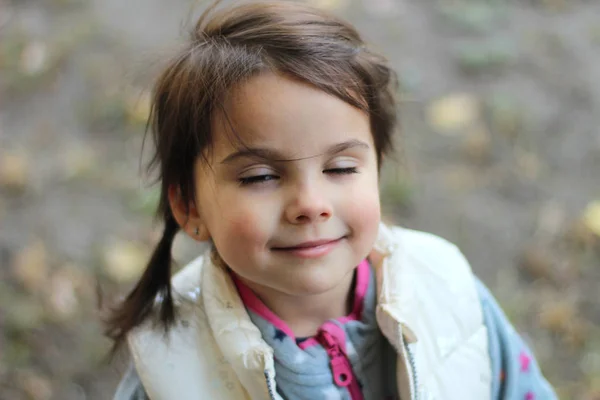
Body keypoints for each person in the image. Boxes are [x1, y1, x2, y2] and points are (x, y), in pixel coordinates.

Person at [107, 1, 557, 399]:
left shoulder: (446, 290)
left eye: (340, 168)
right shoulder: (170, 370)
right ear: (189, 207)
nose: (310, 203)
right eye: (261, 175)